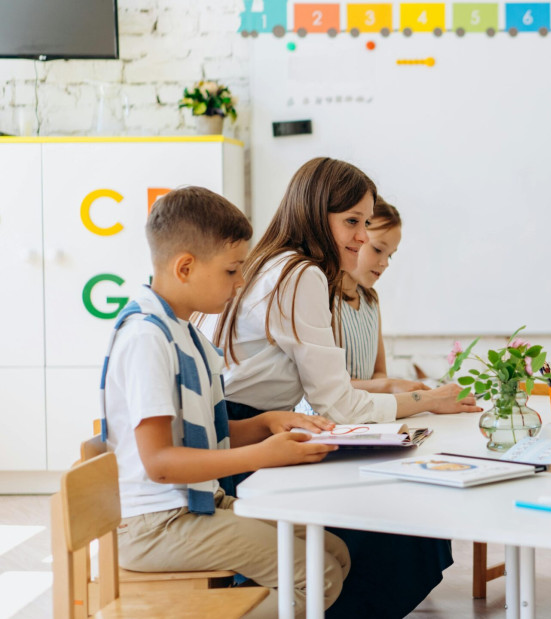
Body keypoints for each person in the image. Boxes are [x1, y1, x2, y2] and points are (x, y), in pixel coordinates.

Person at [212, 157, 473, 618]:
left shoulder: (275, 264)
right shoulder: (302, 275)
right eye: (352, 222)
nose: (362, 237)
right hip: (248, 448)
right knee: (402, 524)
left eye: (366, 223)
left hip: (248, 433)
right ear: (315, 213)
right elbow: (339, 404)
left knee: (395, 512)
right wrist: (427, 401)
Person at [101, 186, 350, 619]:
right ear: (185, 267)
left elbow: (203, 437)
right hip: (156, 523)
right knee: (319, 575)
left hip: (193, 503)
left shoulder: (184, 332)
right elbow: (160, 463)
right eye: (232, 271)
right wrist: (263, 454)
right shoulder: (147, 338)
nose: (240, 284)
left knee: (334, 552)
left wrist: (266, 424)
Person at [295, 197, 428, 417]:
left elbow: (379, 372)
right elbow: (324, 387)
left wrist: (387, 386)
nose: (385, 263)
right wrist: (390, 386)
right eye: (377, 249)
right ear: (356, 239)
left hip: (363, 416)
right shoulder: (321, 296)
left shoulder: (371, 301)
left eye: (390, 255)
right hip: (322, 420)